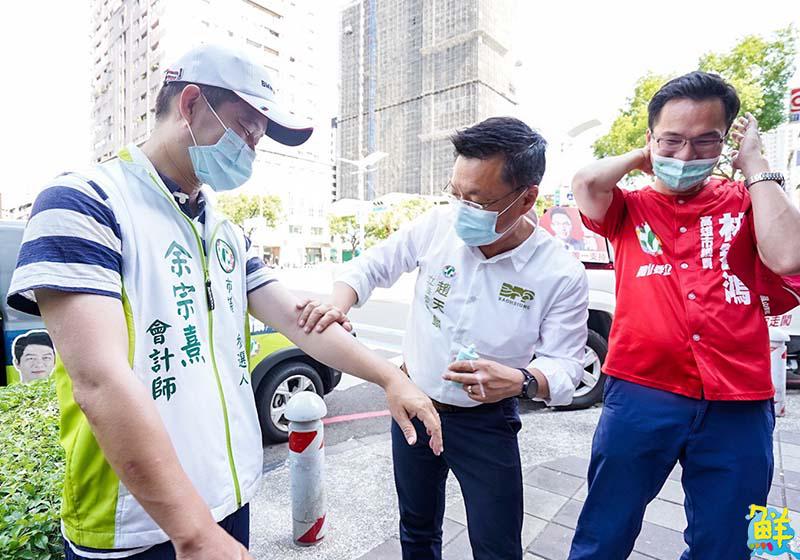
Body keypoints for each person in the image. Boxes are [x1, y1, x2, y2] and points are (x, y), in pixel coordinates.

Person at [6, 43, 441, 560]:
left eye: (259, 138)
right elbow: (99, 383)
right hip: (140, 525)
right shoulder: (86, 203)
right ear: (189, 105)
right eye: (244, 127)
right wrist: (193, 534)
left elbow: (299, 323)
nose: (252, 148)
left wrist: (391, 378)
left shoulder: (225, 231)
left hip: (227, 501)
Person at [298, 117, 589, 560]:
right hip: (413, 403)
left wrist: (521, 380)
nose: (461, 211)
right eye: (456, 194)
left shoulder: (559, 273)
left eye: (477, 200)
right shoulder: (437, 226)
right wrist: (339, 304)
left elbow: (567, 364)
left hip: (486, 423)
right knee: (416, 530)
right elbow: (370, 267)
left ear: (528, 197)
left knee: (497, 545)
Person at [568, 71, 800, 559]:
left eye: (704, 142)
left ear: (724, 143)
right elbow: (586, 183)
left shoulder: (746, 200)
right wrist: (643, 156)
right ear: (651, 138)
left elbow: (788, 257)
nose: (686, 156)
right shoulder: (629, 208)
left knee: (729, 541)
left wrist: (755, 162)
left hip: (738, 398)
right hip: (641, 391)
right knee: (605, 528)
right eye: (672, 141)